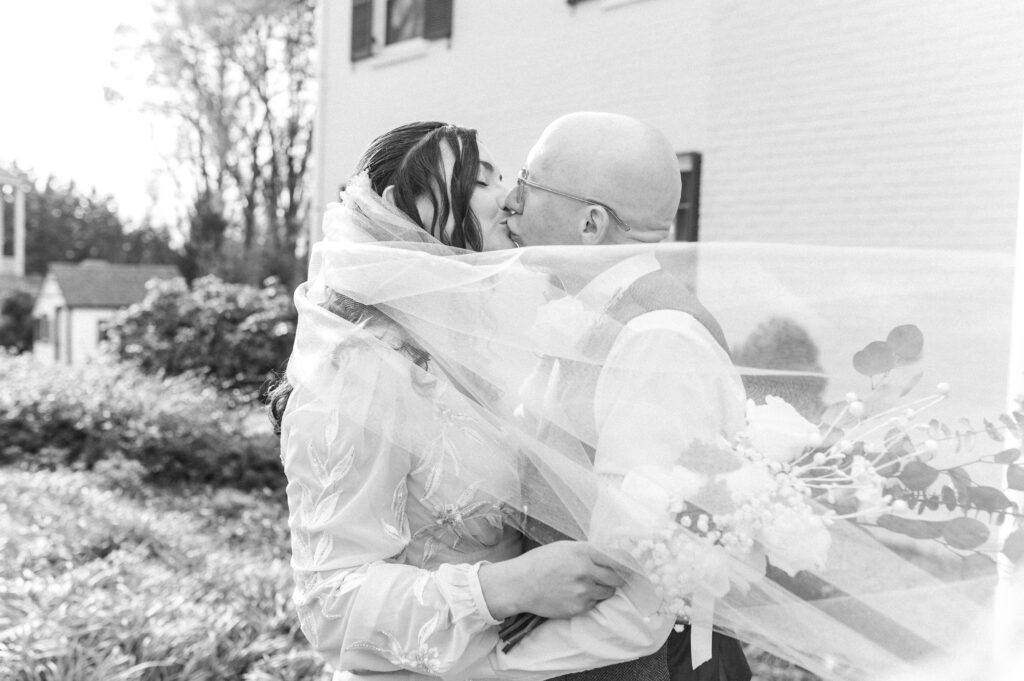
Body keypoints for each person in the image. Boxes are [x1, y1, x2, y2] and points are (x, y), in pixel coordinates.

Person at [271, 121, 676, 681]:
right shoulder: (358, 369)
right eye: (476, 181)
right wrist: (505, 587)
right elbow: (329, 607)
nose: (510, 199)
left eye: (507, 179)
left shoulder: (477, 347)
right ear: (399, 206)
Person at [502, 112, 752, 681]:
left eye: (527, 184)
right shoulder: (595, 319)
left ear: (590, 223)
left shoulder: (657, 341)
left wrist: (476, 667)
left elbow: (642, 597)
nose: (509, 203)